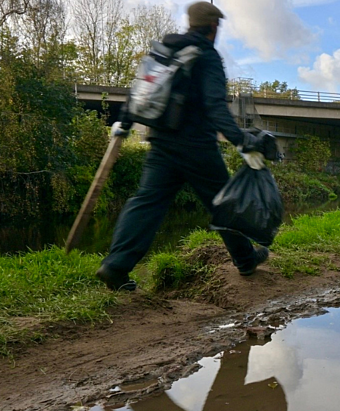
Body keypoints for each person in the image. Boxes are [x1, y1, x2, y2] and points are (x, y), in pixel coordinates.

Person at [97, 1, 270, 291]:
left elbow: (141, 87)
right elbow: (215, 107)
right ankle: (246, 259)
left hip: (161, 142)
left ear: (190, 24)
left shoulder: (165, 49)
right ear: (214, 27)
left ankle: (115, 266)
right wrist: (243, 141)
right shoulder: (207, 55)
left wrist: (124, 122)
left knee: (147, 202)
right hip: (197, 146)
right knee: (224, 203)